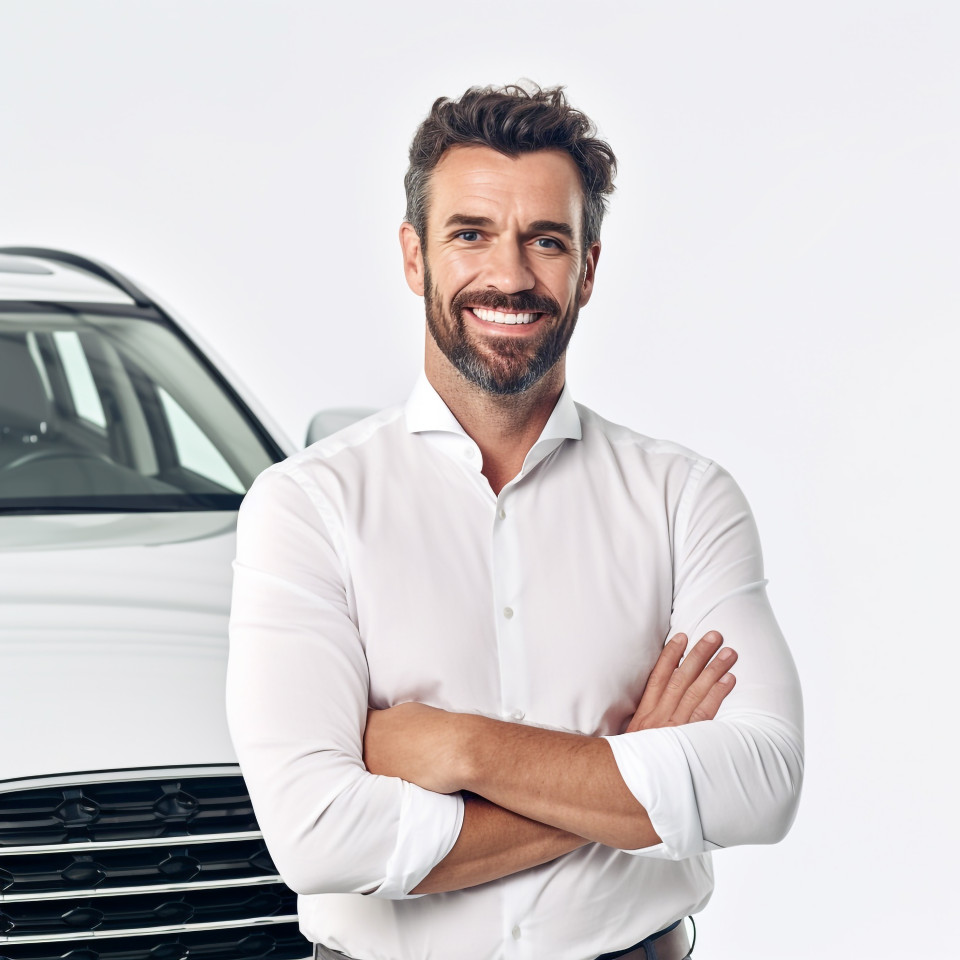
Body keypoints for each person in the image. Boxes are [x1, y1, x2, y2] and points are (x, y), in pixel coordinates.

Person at [226, 83, 804, 960]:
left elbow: (762, 784)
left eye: (546, 240)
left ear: (589, 268)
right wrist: (628, 765)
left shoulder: (685, 498)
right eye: (471, 234)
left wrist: (456, 747)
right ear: (414, 257)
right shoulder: (307, 505)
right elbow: (316, 836)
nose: (509, 275)